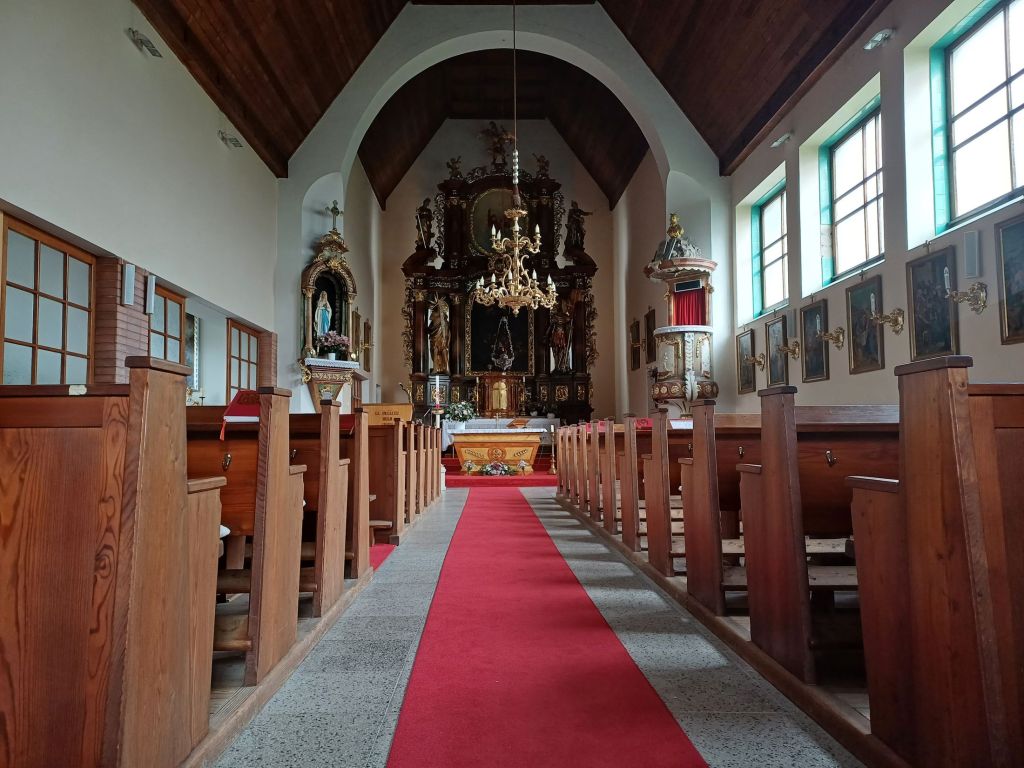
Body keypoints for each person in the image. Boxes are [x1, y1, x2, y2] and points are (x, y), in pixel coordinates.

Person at [427, 297, 450, 373]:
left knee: (443, 350)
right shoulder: (434, 313)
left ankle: (446, 368)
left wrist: (446, 337)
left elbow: (446, 328)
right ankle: (435, 368)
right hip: (434, 336)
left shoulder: (444, 319)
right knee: (435, 350)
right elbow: (431, 321)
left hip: (442, 335)